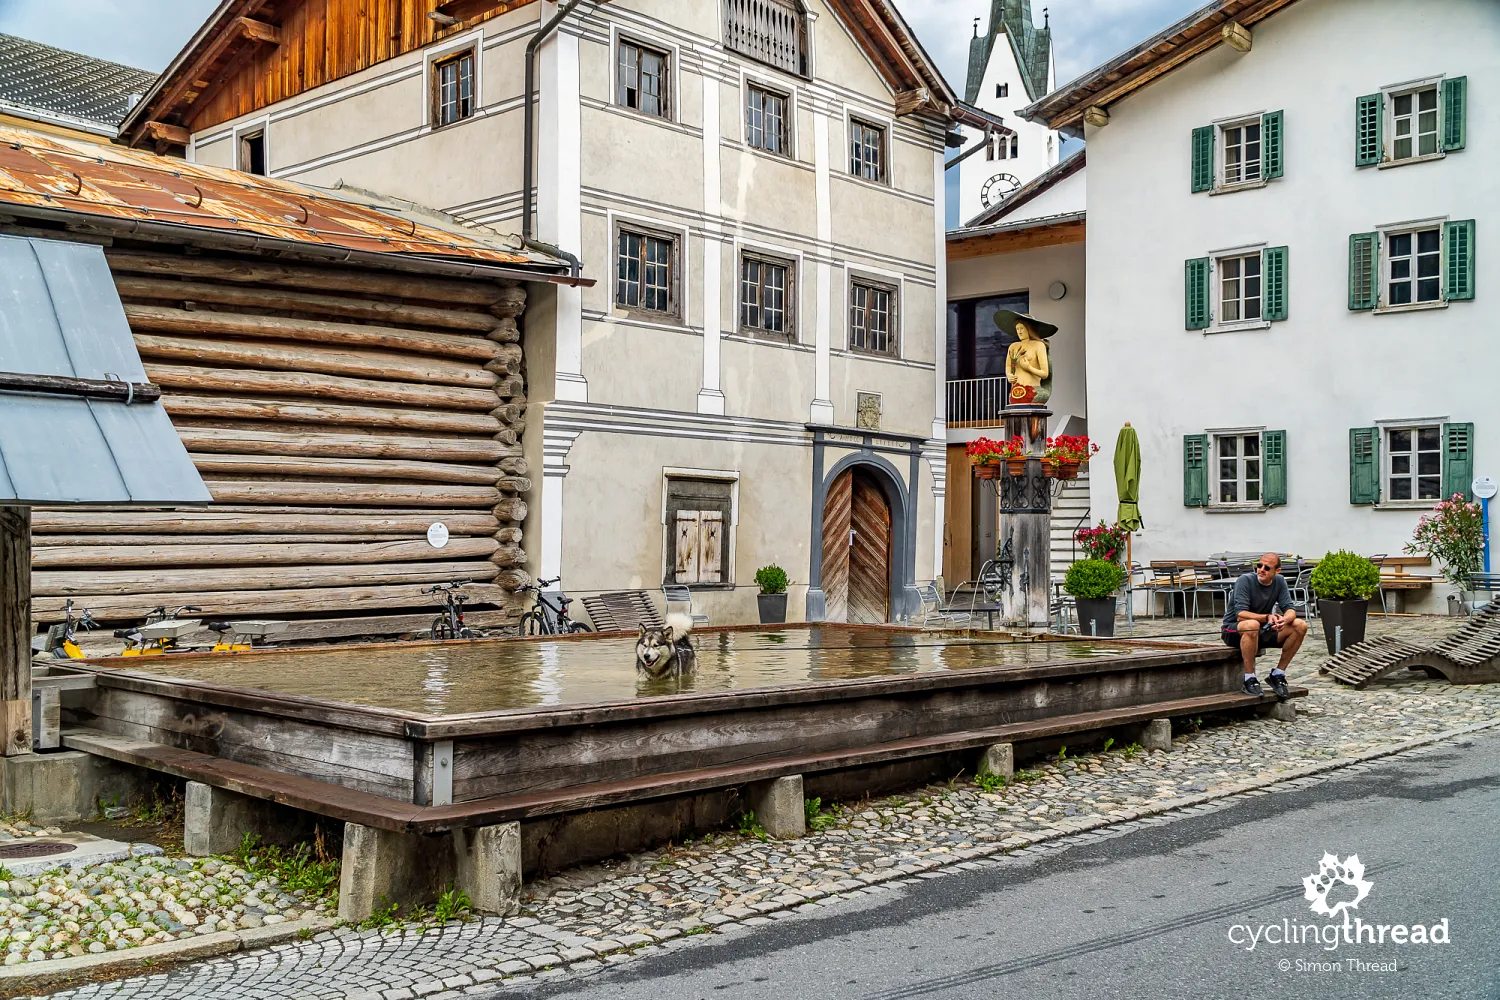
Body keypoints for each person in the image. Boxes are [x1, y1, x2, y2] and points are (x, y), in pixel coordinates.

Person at [1221, 552, 1308, 698]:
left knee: (1300, 625)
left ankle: (1278, 674)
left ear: (1277, 571)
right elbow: (1240, 614)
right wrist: (1267, 617)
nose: (1261, 570)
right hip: (1234, 630)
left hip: (1261, 629)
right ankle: (1249, 678)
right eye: (1259, 566)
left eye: (1267, 568)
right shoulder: (1245, 580)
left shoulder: (1279, 581)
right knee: (1252, 624)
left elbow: (1290, 609)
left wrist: (1284, 620)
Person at [995, 309, 1054, 405]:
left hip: (1033, 389)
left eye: (1022, 328)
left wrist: (1029, 368)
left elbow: (1045, 373)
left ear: (1029, 329)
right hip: (1016, 390)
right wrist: (1009, 375)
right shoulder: (1013, 346)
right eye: (1017, 329)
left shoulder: (1039, 345)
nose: (1019, 332)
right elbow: (1008, 366)